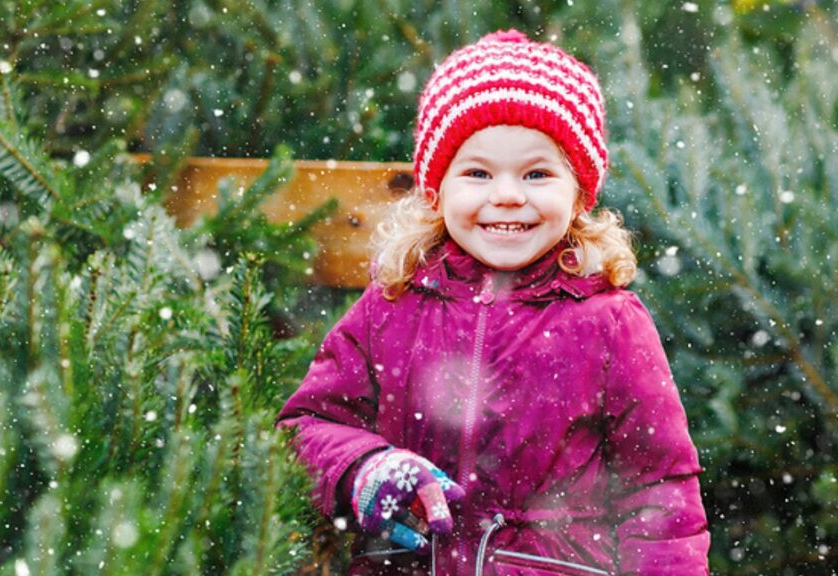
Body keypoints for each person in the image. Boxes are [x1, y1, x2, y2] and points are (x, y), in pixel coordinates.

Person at [278, 29, 710, 575]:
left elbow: (658, 488)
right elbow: (307, 424)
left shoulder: (610, 323)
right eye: (478, 173)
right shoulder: (392, 304)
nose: (506, 194)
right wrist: (366, 468)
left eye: (537, 173)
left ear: (578, 194)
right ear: (437, 191)